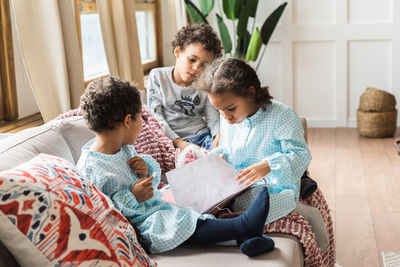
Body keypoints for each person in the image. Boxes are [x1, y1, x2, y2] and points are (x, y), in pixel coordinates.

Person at [77, 76, 275, 257]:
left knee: (190, 215)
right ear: (128, 121)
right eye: (141, 118)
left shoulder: (124, 148)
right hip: (142, 227)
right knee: (177, 224)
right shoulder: (91, 169)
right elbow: (102, 214)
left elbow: (149, 179)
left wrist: (145, 167)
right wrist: (132, 196)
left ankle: (249, 239)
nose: (142, 124)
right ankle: (244, 226)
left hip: (154, 208)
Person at [194, 58, 312, 225]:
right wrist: (218, 157)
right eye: (219, 110)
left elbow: (300, 154)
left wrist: (268, 165)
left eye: (231, 108)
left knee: (254, 200)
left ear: (250, 93)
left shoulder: (281, 116)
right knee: (198, 195)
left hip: (272, 185)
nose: (225, 116)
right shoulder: (228, 119)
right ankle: (229, 223)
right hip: (236, 185)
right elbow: (227, 148)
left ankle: (235, 225)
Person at [147, 24, 222, 151]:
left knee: (221, 156)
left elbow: (212, 116)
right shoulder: (158, 77)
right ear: (178, 52)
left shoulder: (204, 83)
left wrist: (218, 135)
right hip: (170, 140)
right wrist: (178, 142)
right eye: (192, 60)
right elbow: (156, 117)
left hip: (202, 136)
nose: (196, 68)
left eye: (204, 65)